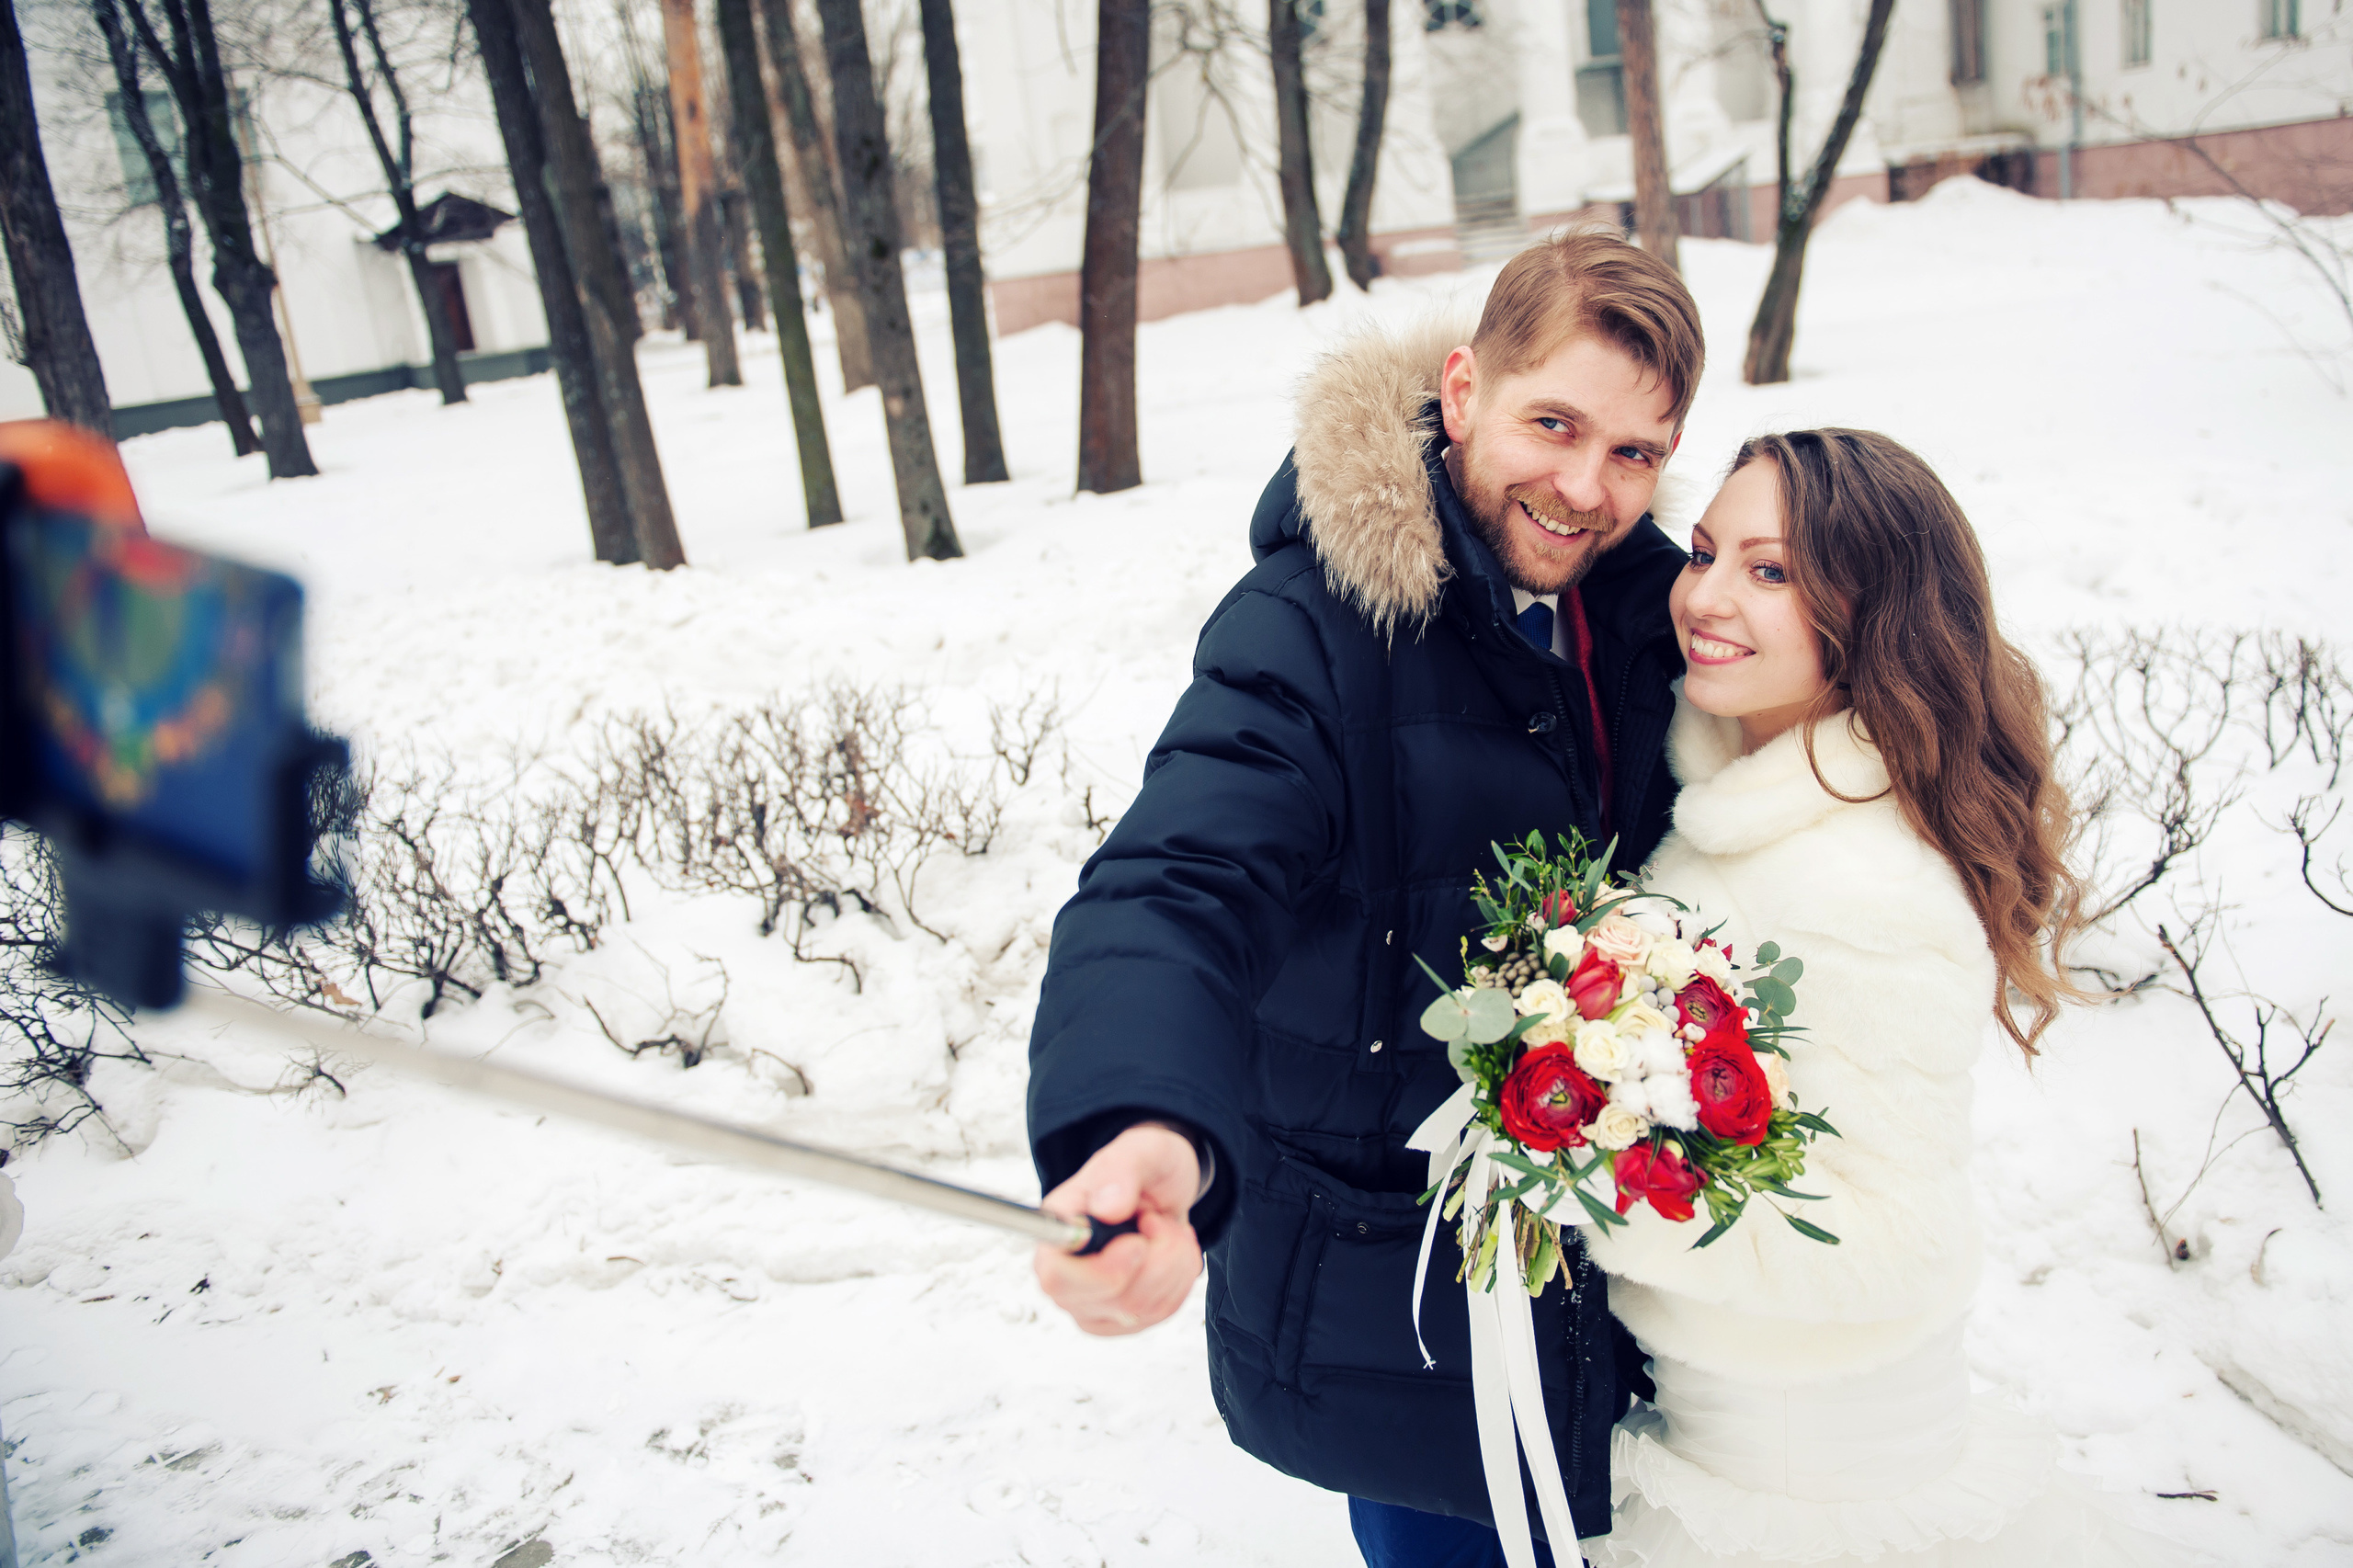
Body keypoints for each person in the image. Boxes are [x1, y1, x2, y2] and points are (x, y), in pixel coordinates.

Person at [1025, 231, 1699, 1565]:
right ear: (1461, 392)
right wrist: (1141, 1116)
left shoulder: (1648, 619)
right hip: (1404, 1302)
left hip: (1622, 1289)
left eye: (1633, 451)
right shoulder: (1313, 628)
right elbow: (1178, 882)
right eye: (1551, 423)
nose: (1584, 486)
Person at [1580, 430, 2193, 1566]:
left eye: (1769, 571)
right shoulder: (1735, 781)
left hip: (1805, 1454)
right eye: (1704, 549)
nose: (1704, 595)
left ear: (1872, 613)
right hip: (1722, 1397)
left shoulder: (1866, 885)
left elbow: (1888, 1236)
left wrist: (1585, 1181)